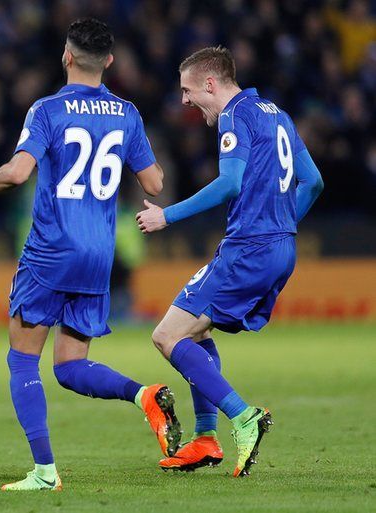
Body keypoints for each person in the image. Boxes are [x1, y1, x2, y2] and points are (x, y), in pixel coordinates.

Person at [0, 18, 175, 491]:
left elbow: (18, 173)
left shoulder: (46, 109)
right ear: (111, 62)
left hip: (51, 250)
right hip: (99, 255)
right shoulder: (127, 113)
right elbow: (156, 183)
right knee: (69, 366)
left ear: (66, 56)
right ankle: (145, 395)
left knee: (22, 360)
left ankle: (44, 472)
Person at [136, 46, 324, 477]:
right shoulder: (277, 113)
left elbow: (229, 183)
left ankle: (243, 417)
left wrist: (166, 215)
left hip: (249, 248)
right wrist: (280, 223)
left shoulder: (233, 115)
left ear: (209, 83)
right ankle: (205, 440)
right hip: (280, 248)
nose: (184, 101)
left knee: (167, 335)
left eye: (187, 90)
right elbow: (313, 182)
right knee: (196, 332)